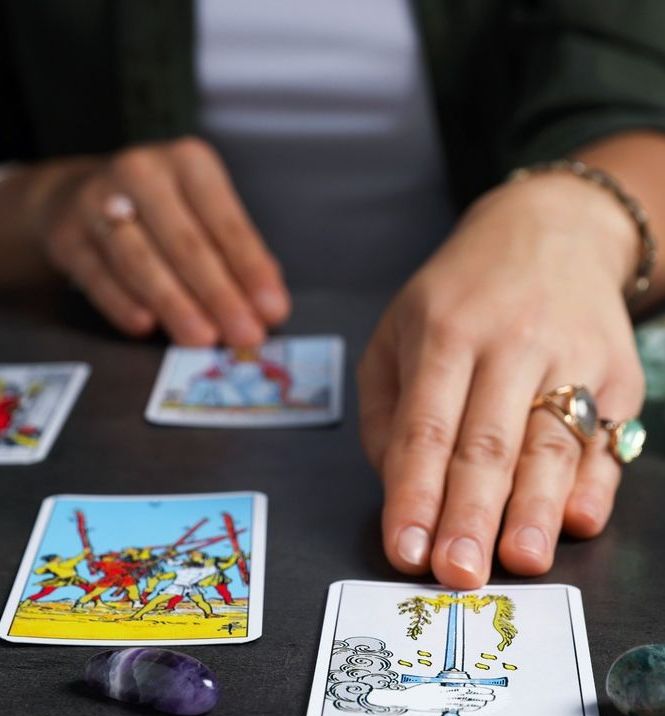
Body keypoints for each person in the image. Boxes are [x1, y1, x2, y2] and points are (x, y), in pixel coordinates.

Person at [2, 1, 665, 591]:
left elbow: (635, 102)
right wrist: (36, 202)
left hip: (521, 360)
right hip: (129, 366)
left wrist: (574, 220)